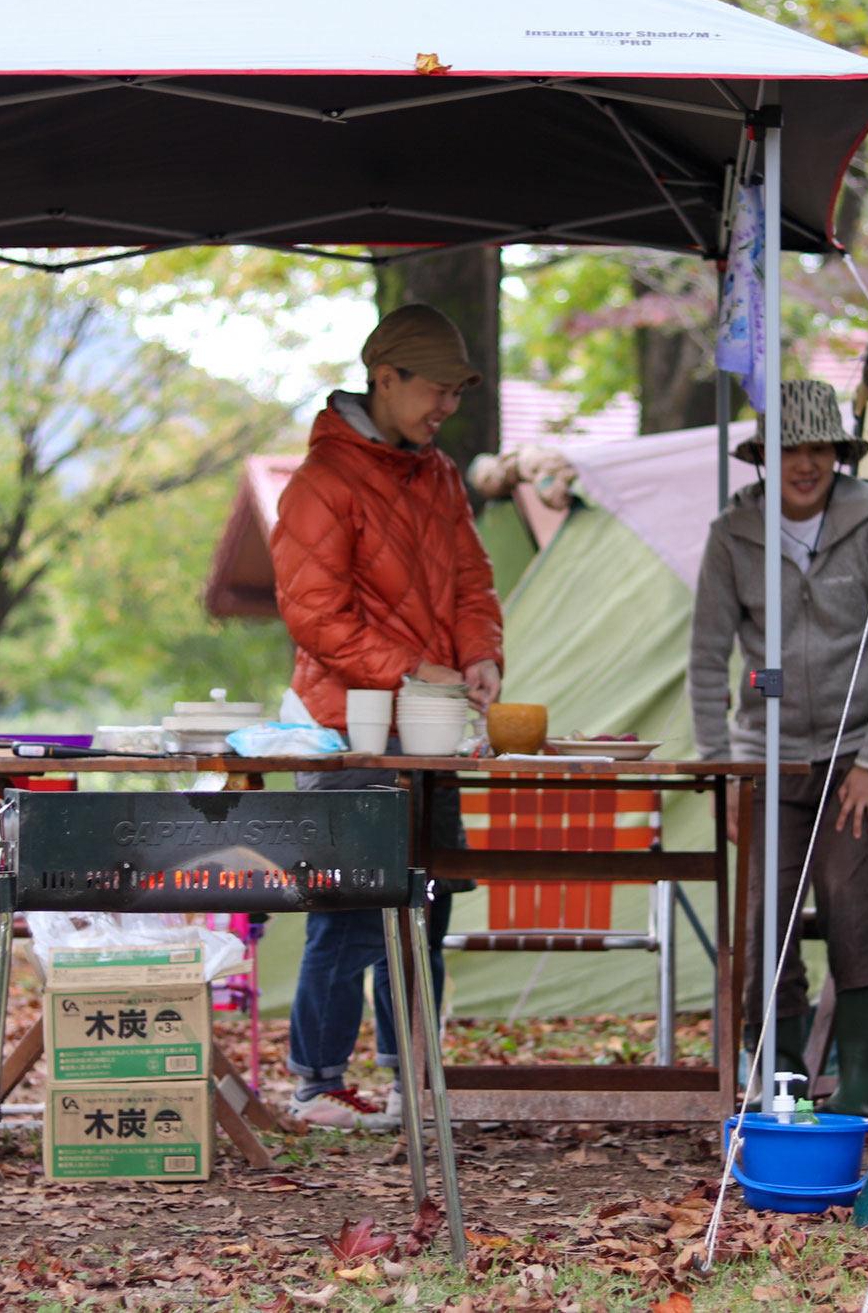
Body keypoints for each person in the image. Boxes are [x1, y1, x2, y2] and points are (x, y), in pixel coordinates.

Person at [269, 302, 503, 1129]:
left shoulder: (437, 475)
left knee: (427, 904)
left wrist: (480, 653)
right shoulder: (321, 483)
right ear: (386, 378)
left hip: (432, 728)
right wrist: (411, 669)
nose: (444, 407)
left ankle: (414, 1078)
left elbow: (473, 580)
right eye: (433, 390)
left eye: (453, 393)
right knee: (351, 907)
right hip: (346, 728)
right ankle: (317, 1082)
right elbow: (314, 616)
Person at [687, 378, 868, 1119]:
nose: (806, 462)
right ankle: (784, 1077)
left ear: (839, 454)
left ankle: (857, 1084)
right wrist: (724, 770)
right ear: (765, 455)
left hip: (866, 757)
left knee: (851, 892)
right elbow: (706, 659)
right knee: (767, 911)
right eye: (792, 447)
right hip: (769, 758)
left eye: (820, 446)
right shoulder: (734, 535)